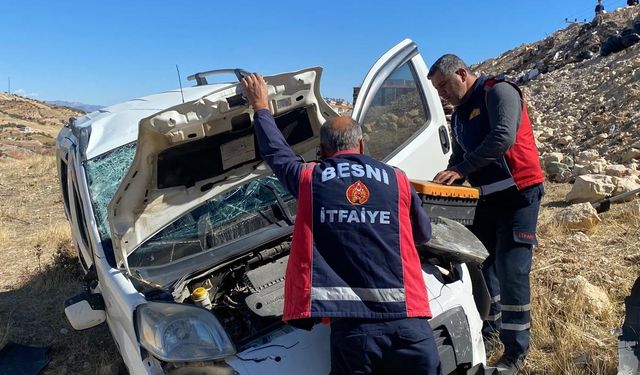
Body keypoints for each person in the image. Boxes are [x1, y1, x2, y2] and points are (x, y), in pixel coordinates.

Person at [242, 73, 440, 375]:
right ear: (361, 144)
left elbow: (277, 153)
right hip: (410, 326)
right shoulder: (398, 179)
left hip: (355, 333)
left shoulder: (310, 179)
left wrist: (261, 107)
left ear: (321, 151)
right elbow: (423, 234)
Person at [428, 55, 544, 374]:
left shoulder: (498, 91)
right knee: (481, 265)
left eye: (443, 86)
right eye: (436, 89)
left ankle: (516, 350)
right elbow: (460, 153)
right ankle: (490, 331)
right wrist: (449, 173)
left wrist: (462, 169)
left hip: (519, 196)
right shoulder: (460, 114)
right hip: (487, 200)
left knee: (511, 269)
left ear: (462, 74)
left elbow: (502, 137)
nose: (441, 94)